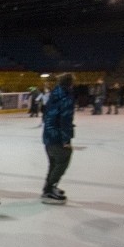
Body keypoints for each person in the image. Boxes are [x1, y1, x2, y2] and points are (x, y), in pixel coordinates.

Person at [41, 73, 76, 205]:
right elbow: (65, 120)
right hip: (57, 137)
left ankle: (48, 188)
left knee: (54, 162)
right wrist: (66, 140)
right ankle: (50, 188)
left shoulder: (54, 94)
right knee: (63, 160)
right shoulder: (66, 97)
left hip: (48, 135)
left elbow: (46, 115)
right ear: (70, 83)